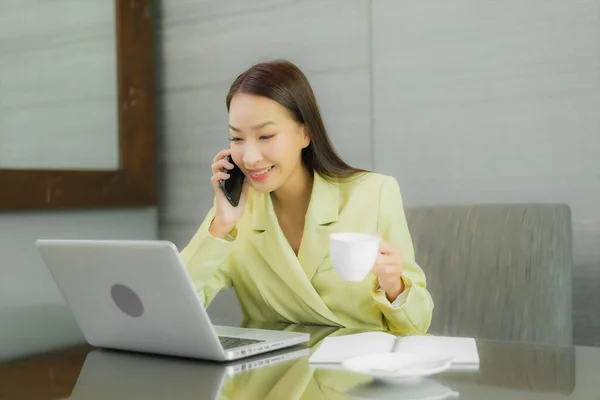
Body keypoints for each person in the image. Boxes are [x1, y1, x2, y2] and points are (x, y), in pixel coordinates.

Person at [180, 59, 433, 334]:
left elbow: (417, 326)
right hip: (274, 375)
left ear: (306, 133)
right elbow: (175, 309)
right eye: (237, 139)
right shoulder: (235, 213)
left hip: (356, 373)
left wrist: (394, 286)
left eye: (265, 136)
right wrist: (221, 225)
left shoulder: (374, 193)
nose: (250, 158)